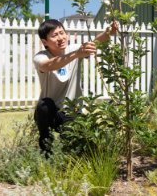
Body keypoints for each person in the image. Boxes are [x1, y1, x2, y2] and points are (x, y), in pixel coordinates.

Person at [33, 19, 117, 155]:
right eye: (54, 35)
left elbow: (96, 42)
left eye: (62, 33)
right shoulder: (41, 57)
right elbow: (48, 65)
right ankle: (46, 153)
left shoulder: (73, 49)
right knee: (44, 105)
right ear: (45, 42)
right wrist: (76, 54)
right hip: (50, 111)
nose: (60, 37)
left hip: (71, 111)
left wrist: (109, 32)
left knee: (75, 150)